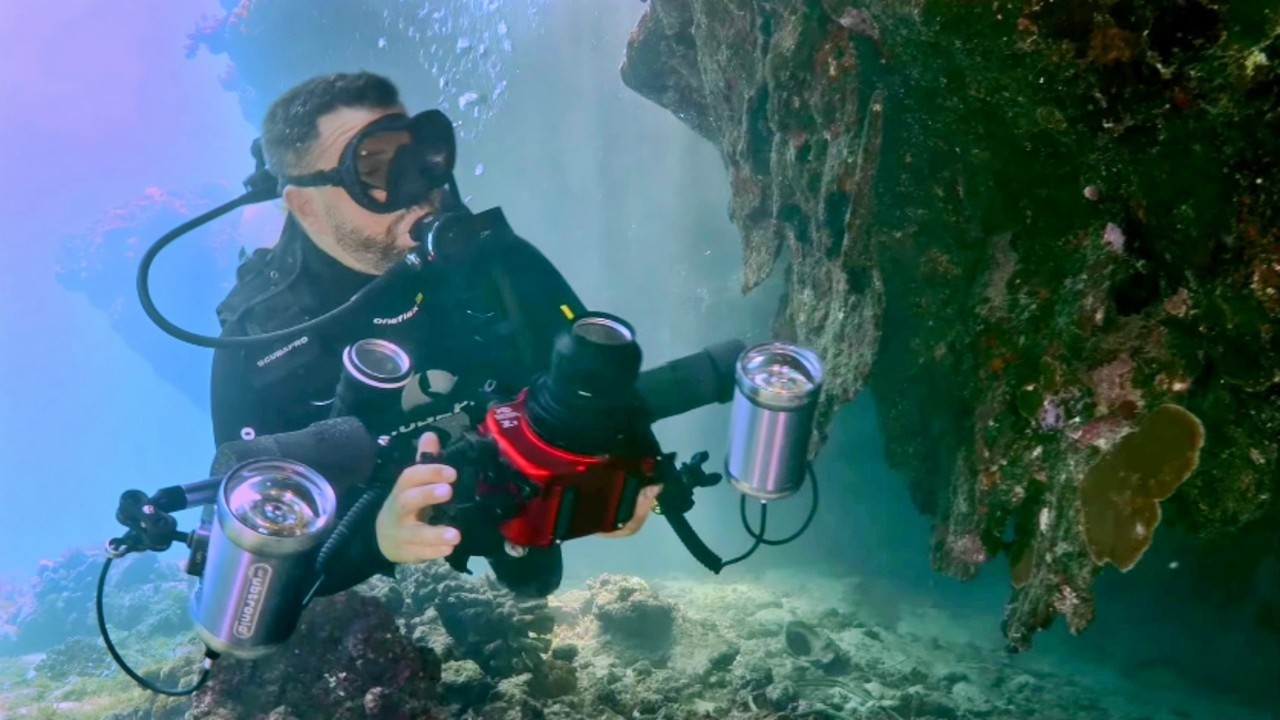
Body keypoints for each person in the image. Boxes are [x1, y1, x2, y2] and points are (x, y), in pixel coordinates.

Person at [208, 71, 659, 598]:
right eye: (373, 168)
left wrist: (632, 461)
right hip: (357, 500)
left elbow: (596, 376)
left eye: (419, 157)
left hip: (493, 465)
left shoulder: (496, 263)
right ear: (306, 205)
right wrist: (377, 540)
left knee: (535, 578)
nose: (419, 191)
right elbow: (255, 556)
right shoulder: (261, 344)